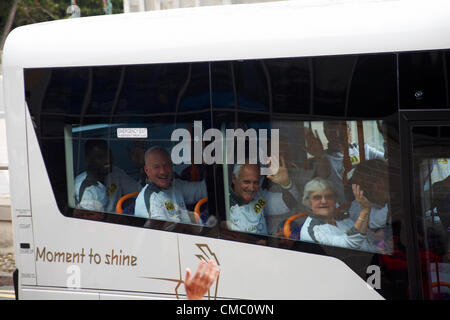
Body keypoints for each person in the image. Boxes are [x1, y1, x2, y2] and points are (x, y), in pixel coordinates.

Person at [303, 122, 385, 204]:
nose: (337, 135)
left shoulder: (361, 149)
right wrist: (319, 155)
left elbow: (387, 161)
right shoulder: (324, 159)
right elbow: (323, 172)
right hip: (346, 207)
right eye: (332, 131)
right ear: (325, 133)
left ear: (349, 131)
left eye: (341, 130)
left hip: (374, 202)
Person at [134, 146, 207, 223]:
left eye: (166, 165)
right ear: (147, 170)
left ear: (171, 166)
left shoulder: (175, 185)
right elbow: (163, 233)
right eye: (157, 167)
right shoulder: (152, 199)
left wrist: (210, 166)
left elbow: (202, 190)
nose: (163, 171)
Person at [228, 158, 299, 235]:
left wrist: (285, 183)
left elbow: (290, 204)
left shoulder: (259, 197)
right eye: (246, 182)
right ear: (234, 178)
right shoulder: (224, 205)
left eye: (255, 183)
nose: (251, 188)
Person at [299, 177, 372, 250]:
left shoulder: (341, 217)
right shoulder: (314, 230)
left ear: (335, 200)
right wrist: (365, 210)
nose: (324, 201)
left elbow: (365, 239)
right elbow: (349, 245)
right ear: (309, 203)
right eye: (317, 198)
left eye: (328, 196)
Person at [74, 139, 141, 213]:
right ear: (88, 160)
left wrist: (142, 166)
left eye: (109, 155)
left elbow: (139, 192)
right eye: (100, 157)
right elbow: (92, 220)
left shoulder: (115, 172)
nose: (107, 160)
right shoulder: (85, 188)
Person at [348, 159, 392, 252]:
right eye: (376, 181)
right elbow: (374, 223)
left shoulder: (386, 199)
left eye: (385, 178)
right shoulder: (356, 206)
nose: (383, 184)